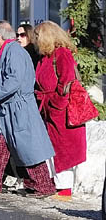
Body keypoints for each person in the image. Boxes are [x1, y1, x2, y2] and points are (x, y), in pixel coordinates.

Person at [0, 21, 56, 197]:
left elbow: (14, 81)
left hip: (18, 109)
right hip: (8, 110)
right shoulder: (9, 50)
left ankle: (43, 186)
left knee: (28, 149)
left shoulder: (14, 52)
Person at [33, 21, 87, 202]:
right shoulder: (45, 56)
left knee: (64, 148)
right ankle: (55, 185)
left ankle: (65, 190)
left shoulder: (61, 54)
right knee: (52, 147)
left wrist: (57, 103)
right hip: (49, 108)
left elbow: (67, 81)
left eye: (38, 36)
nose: (36, 40)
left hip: (61, 110)